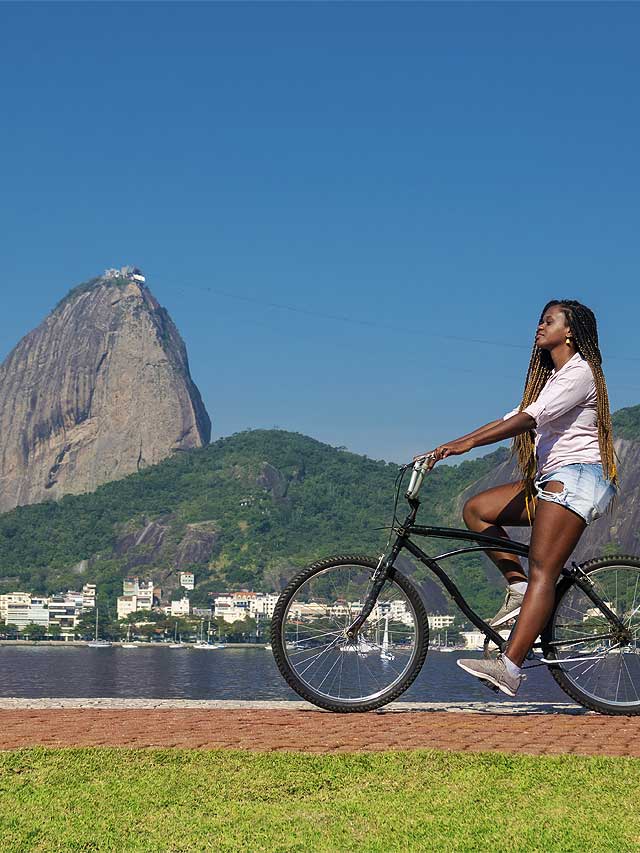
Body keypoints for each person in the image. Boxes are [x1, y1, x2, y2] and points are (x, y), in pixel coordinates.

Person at [414, 300, 618, 696]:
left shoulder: (580, 373)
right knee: (477, 510)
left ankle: (510, 667)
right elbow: (513, 416)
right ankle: (519, 588)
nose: (539, 327)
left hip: (575, 479)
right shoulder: (553, 380)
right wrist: (448, 446)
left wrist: (469, 443)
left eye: (548, 321)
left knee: (544, 570)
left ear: (570, 330)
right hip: (551, 481)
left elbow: (528, 420)